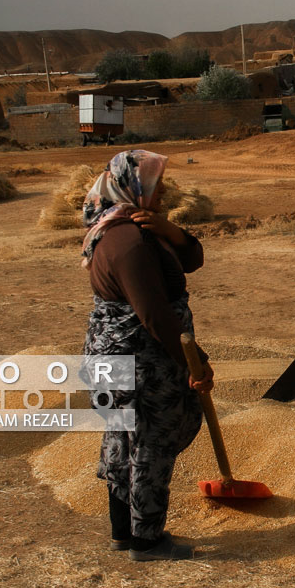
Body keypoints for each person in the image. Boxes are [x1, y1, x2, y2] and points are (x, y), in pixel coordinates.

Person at [81, 150, 213, 562]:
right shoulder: (128, 242)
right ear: (133, 186)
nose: (161, 193)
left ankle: (124, 531)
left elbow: (192, 259)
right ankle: (147, 540)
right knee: (149, 443)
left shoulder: (132, 226)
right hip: (139, 363)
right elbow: (154, 314)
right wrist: (195, 361)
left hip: (122, 357)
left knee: (123, 438)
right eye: (155, 186)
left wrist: (169, 229)